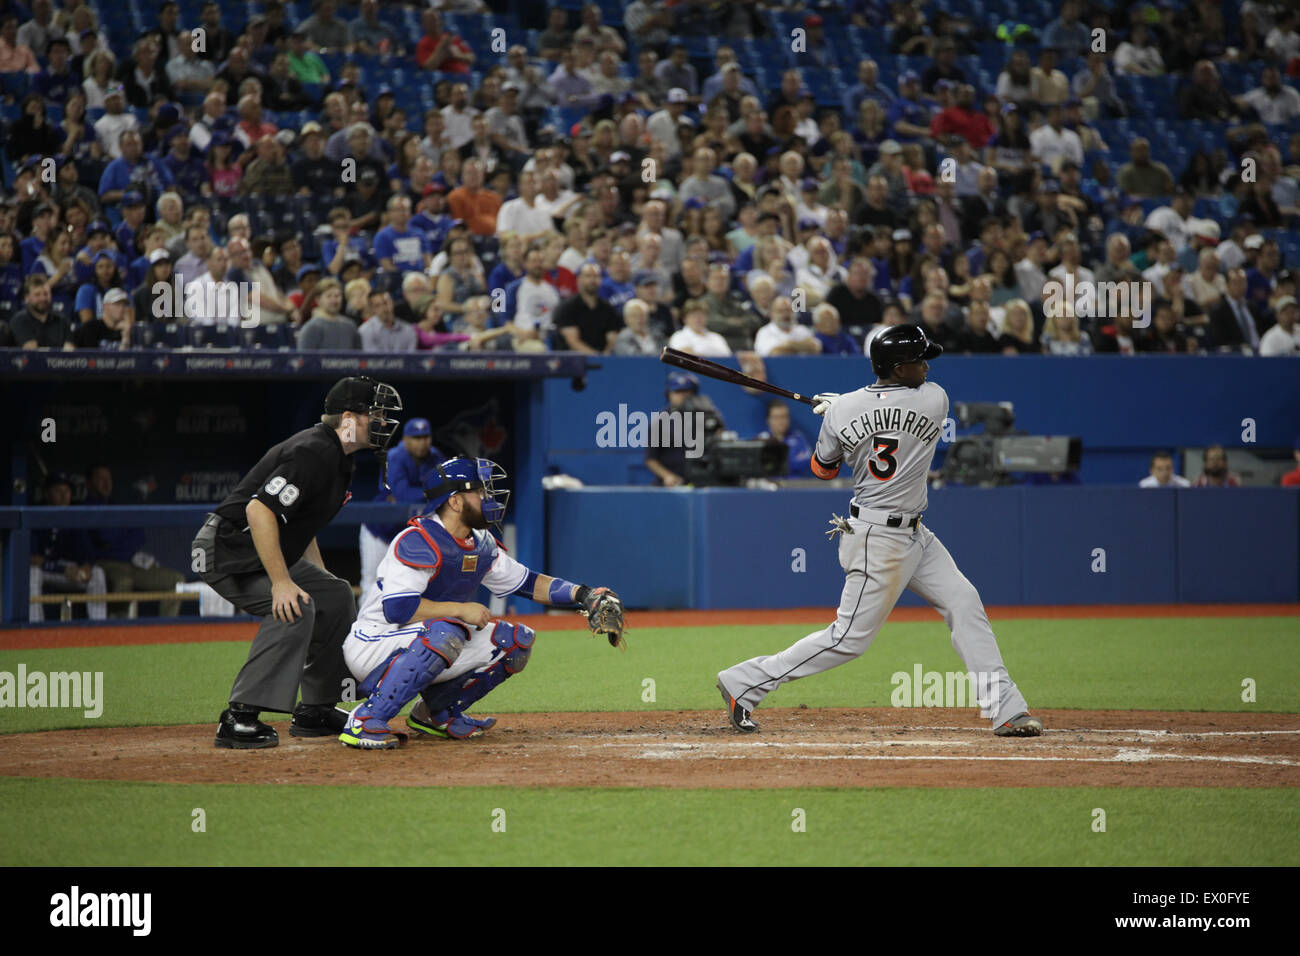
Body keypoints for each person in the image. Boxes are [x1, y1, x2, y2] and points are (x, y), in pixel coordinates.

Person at [716, 325, 1042, 738]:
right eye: (919, 361)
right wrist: (845, 408)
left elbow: (822, 469)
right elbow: (884, 411)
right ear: (898, 367)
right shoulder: (935, 399)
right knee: (848, 639)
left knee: (964, 602)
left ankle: (1007, 710)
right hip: (877, 539)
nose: (926, 366)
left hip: (914, 534)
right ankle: (743, 682)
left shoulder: (848, 409)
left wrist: (837, 415)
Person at [338, 457, 623, 747]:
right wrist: (461, 610)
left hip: (427, 636)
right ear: (455, 502)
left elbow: (527, 582)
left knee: (515, 641)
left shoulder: (481, 543)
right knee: (447, 632)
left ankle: (436, 714)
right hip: (374, 639)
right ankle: (365, 720)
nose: (488, 498)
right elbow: (398, 608)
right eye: (479, 491)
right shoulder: (417, 539)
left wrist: (584, 594)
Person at [191, 377, 403, 749]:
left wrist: (315, 577)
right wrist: (281, 583)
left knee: (335, 594)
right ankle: (239, 716)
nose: (384, 423)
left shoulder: (339, 457)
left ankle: (317, 709)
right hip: (229, 549)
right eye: (376, 415)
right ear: (349, 418)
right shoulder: (314, 451)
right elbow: (259, 511)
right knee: (295, 605)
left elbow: (303, 527)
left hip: (260, 548)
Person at [82, 464, 185, 615]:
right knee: (123, 582)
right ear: (89, 483)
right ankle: (116, 633)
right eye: (100, 479)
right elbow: (103, 538)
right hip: (106, 565)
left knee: (176, 580)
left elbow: (138, 535)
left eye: (108, 479)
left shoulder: (116, 506)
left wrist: (117, 544)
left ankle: (165, 632)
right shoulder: (84, 509)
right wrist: (120, 542)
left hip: (131, 563)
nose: (106, 483)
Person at [358, 417, 443, 597]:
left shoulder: (436, 457)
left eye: (425, 437)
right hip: (379, 531)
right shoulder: (394, 457)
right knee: (373, 585)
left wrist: (426, 493)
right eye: (416, 438)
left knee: (410, 587)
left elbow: (445, 491)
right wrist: (430, 492)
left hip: (407, 535)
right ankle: (365, 625)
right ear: (405, 440)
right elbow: (402, 495)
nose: (422, 442)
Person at [29, 472, 106, 622]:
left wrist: (86, 567)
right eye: (58, 491)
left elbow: (87, 553)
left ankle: (99, 627)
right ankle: (35, 627)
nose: (64, 496)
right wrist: (62, 570)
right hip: (45, 569)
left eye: (67, 491)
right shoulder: (35, 515)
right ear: (46, 493)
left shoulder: (74, 517)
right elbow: (32, 559)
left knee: (97, 573)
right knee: (32, 574)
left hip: (66, 571)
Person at [757, 400, 812, 477]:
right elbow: (756, 466)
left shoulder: (798, 438)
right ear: (768, 420)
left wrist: (775, 463)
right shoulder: (760, 439)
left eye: (784, 417)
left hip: (794, 485)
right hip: (768, 486)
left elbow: (807, 461)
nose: (781, 421)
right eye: (776, 417)